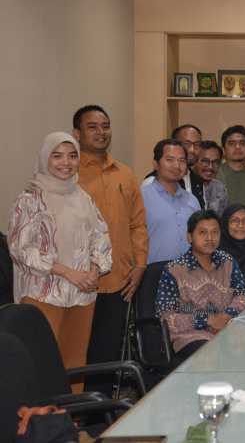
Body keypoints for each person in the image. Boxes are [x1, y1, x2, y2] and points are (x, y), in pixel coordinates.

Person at [8, 133, 113, 390]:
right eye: (57, 155)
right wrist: (68, 273)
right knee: (40, 363)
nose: (65, 162)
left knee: (75, 364)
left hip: (82, 293)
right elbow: (21, 249)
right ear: (46, 159)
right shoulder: (30, 199)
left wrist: (94, 270)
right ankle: (43, 425)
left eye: (72, 155)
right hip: (43, 294)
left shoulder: (84, 198)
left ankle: (71, 423)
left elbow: (100, 236)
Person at [72, 105, 150, 395]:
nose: (101, 131)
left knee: (106, 352)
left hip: (119, 280)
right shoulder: (70, 173)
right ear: (77, 134)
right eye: (92, 126)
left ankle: (98, 417)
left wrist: (140, 264)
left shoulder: (125, 174)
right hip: (80, 282)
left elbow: (137, 225)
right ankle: (73, 415)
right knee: (77, 350)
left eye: (105, 125)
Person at [155, 209, 245, 360]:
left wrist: (227, 316)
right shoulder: (174, 270)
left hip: (227, 331)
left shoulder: (227, 262)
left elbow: (243, 292)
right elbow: (166, 317)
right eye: (203, 232)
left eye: (215, 232)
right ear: (189, 237)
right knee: (210, 352)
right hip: (190, 337)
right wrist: (207, 320)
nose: (210, 238)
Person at [141, 140, 201, 279]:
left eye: (181, 160)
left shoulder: (192, 201)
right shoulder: (141, 197)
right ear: (155, 164)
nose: (176, 165)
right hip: (152, 276)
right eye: (170, 160)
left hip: (189, 276)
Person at [142, 124, 205, 208]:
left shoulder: (198, 181)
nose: (192, 150)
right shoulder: (152, 182)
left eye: (197, 145)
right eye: (186, 143)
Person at [193, 141, 228, 215]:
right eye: (205, 161)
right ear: (194, 162)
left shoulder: (220, 189)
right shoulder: (183, 185)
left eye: (215, 162)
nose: (210, 167)